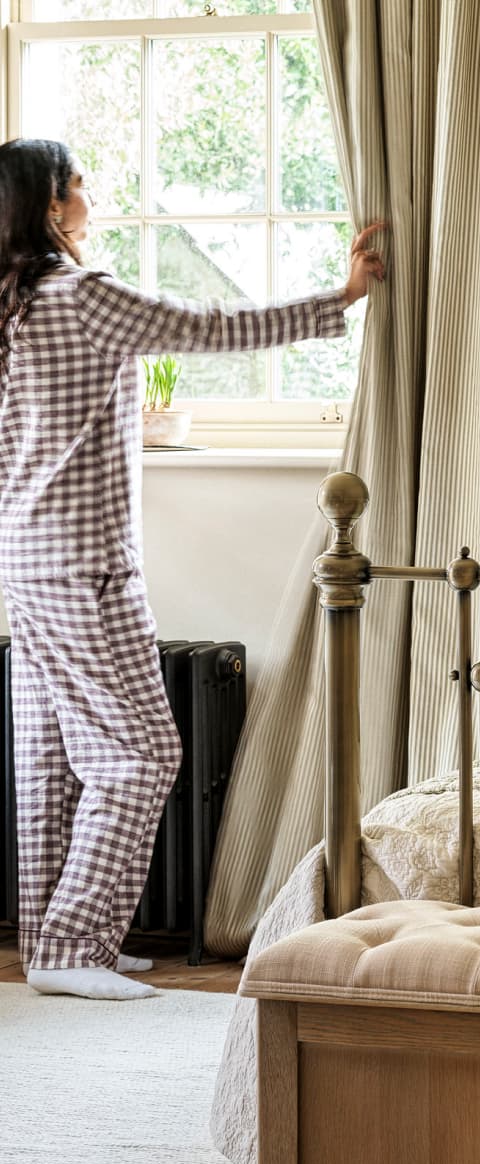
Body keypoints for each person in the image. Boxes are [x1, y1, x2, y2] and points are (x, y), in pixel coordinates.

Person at [0, 138, 385, 1000]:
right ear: (53, 205)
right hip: (83, 562)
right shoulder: (84, 297)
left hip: (24, 558)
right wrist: (343, 298)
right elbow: (209, 329)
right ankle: (71, 948)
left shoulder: (9, 304)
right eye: (79, 184)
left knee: (50, 755)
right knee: (141, 752)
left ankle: (55, 940)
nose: (89, 195)